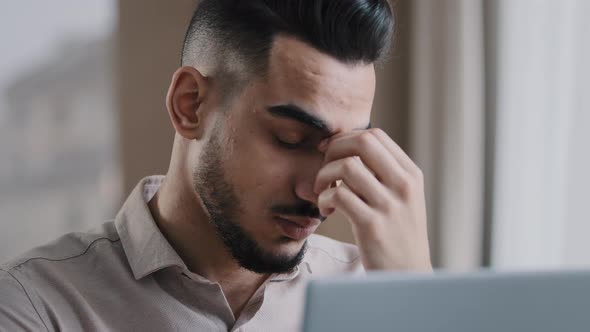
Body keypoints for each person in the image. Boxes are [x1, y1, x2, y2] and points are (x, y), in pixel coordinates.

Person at [0, 0, 432, 330]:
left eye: (342, 148)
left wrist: (421, 301)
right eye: (291, 139)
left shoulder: (382, 294)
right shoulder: (35, 305)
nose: (316, 193)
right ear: (190, 105)